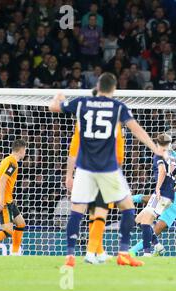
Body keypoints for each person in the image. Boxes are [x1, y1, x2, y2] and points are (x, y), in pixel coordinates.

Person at [48, 72, 162, 267]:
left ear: (97, 86)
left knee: (77, 211)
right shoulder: (118, 108)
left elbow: (53, 108)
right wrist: (156, 149)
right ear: (114, 88)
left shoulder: (83, 103)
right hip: (109, 169)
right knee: (128, 208)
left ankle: (70, 256)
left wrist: (58, 97)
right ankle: (123, 253)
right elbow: (136, 129)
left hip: (84, 168)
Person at [65, 89, 125, 263]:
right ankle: (91, 253)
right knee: (100, 211)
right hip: (105, 171)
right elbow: (119, 152)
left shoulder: (83, 122)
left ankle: (96, 251)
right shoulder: (114, 118)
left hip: (85, 172)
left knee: (89, 211)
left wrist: (69, 174)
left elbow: (73, 149)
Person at [134, 133, 176, 257]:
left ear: (157, 143)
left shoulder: (158, 155)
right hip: (168, 196)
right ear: (169, 144)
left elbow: (162, 171)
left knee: (146, 222)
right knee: (139, 219)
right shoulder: (172, 159)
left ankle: (147, 253)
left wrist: (157, 189)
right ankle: (157, 245)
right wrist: (171, 191)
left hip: (160, 194)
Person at [0, 139, 27, 255]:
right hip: (3, 200)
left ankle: (15, 253)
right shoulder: (13, 163)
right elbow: (3, 180)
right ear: (21, 150)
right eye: (25, 150)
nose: (25, 152)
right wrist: (2, 200)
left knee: (21, 223)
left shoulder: (6, 159)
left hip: (8, 199)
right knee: (8, 231)